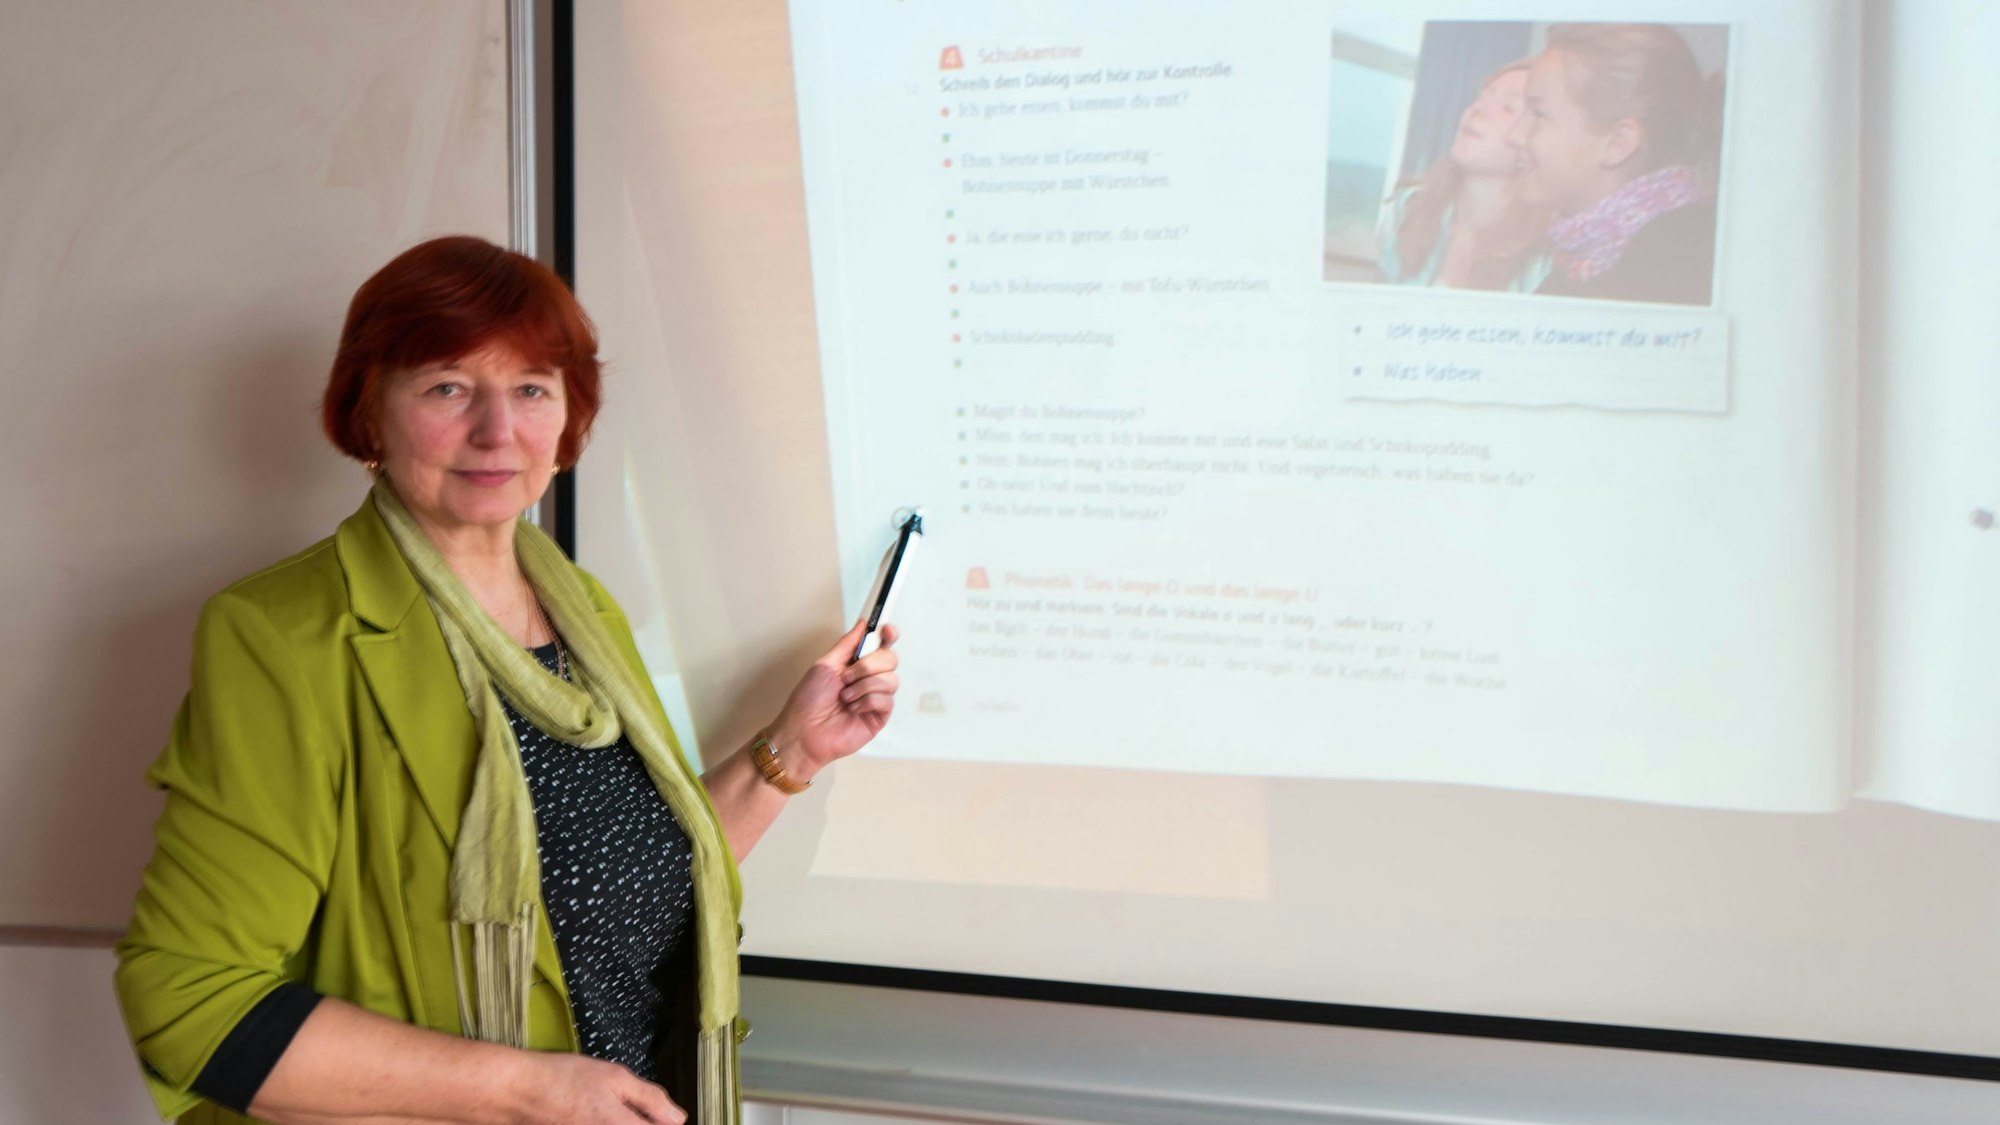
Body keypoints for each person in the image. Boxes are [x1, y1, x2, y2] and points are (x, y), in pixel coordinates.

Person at [112, 236, 901, 1125]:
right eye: (447, 387)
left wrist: (790, 751)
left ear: (568, 419)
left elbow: (623, 881)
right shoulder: (285, 637)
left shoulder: (582, 611)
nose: (497, 431)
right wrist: (530, 1090)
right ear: (369, 413)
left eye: (531, 389)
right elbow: (190, 998)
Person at [1507, 23, 1724, 306]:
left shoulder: (1682, 266)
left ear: (1617, 143)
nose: (1515, 135)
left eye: (1538, 114)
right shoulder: (1583, 265)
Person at [1378, 60, 1552, 292]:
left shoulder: (1546, 258)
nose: (1478, 109)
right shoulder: (1408, 209)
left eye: (1508, 107)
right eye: (1483, 97)